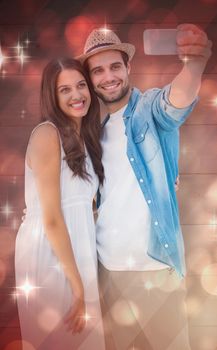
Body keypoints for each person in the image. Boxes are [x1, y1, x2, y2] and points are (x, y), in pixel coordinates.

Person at [77, 25, 212, 350]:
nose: (108, 76)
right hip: (107, 269)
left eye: (115, 66)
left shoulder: (149, 110)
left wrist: (194, 64)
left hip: (154, 270)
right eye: (98, 70)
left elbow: (175, 102)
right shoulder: (91, 130)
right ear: (90, 79)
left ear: (128, 68)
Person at [15, 58, 105, 350]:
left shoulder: (84, 136)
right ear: (51, 96)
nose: (76, 95)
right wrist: (78, 287)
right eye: (64, 89)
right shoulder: (47, 134)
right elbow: (52, 219)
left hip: (77, 248)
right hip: (49, 251)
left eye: (80, 85)